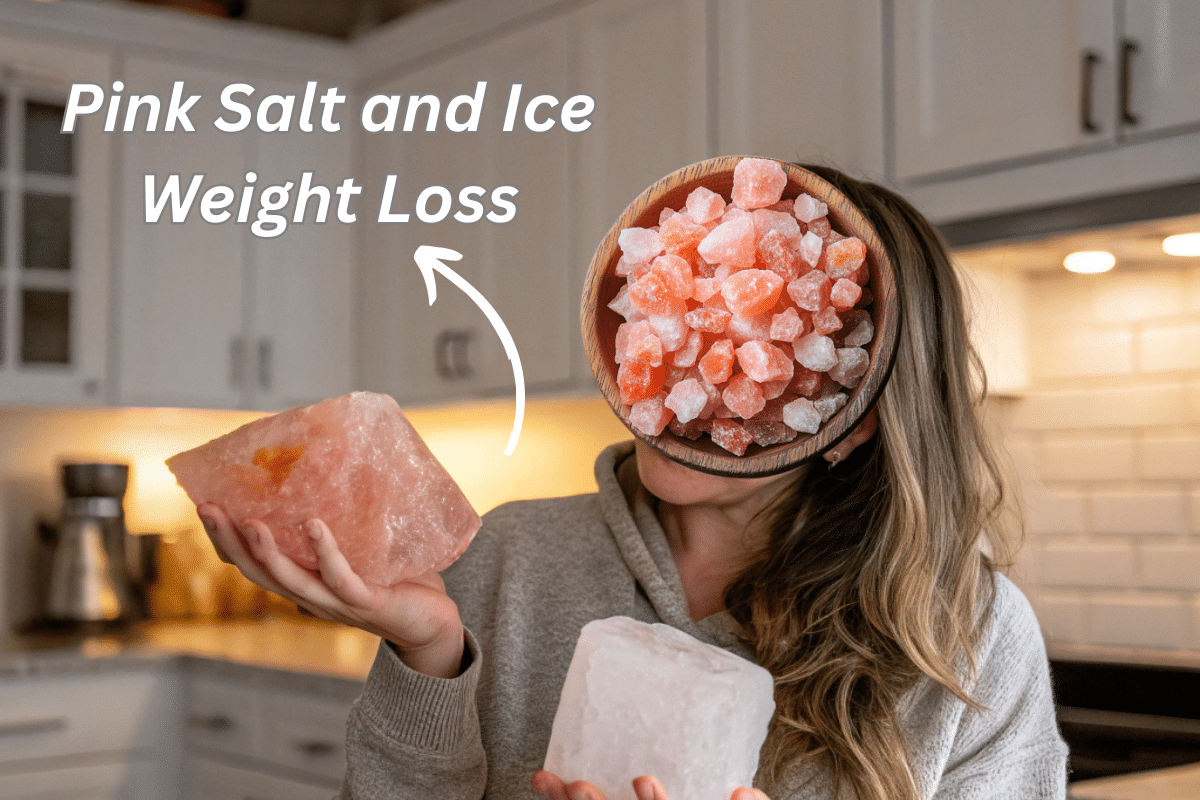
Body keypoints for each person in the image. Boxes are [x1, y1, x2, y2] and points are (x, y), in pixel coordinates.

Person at [199, 164, 1068, 800]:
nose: (688, 387)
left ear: (861, 413)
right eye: (678, 319)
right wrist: (430, 659)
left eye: (758, 363)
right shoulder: (506, 558)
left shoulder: (967, 637)